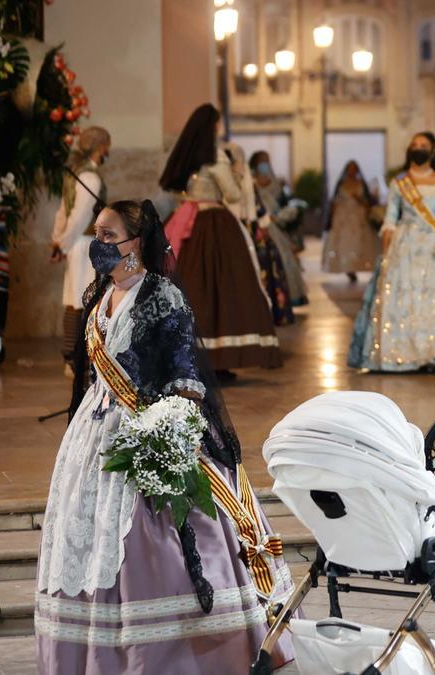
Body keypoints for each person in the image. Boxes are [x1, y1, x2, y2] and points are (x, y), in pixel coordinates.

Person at [36, 200, 294, 673]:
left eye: (110, 236)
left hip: (153, 427)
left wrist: (168, 433)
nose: (101, 244)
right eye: (98, 234)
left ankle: (178, 653)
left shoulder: (162, 296)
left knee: (157, 548)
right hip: (94, 437)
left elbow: (184, 374)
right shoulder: (98, 295)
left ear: (138, 242)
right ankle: (96, 654)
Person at [159, 104, 281, 376]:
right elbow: (233, 194)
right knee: (225, 288)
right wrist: (238, 171)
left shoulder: (189, 156)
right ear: (213, 126)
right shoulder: (216, 157)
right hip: (214, 224)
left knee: (194, 287)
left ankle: (191, 356)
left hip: (188, 222)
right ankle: (220, 358)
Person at [347, 132, 435, 372]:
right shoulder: (400, 183)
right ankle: (403, 354)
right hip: (405, 247)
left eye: (424, 145)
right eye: (415, 145)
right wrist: (386, 255)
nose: (419, 148)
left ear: (433, 151)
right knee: (405, 298)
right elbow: (390, 220)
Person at [50, 126, 110, 373]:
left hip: (76, 245)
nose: (109, 151)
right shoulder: (90, 178)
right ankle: (75, 359)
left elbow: (63, 212)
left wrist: (59, 241)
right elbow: (79, 216)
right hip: (84, 246)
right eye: (107, 146)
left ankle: (73, 358)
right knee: (81, 302)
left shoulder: (77, 174)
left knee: (74, 300)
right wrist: (61, 243)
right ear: (99, 148)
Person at [230, 145, 294, 326]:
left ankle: (266, 312)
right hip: (244, 228)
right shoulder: (245, 179)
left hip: (257, 228)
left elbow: (259, 205)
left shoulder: (253, 180)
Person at [250, 151, 308, 306]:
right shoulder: (249, 182)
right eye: (262, 161)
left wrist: (282, 217)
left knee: (284, 261)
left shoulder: (276, 183)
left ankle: (284, 301)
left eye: (267, 161)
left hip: (277, 228)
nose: (265, 164)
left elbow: (285, 204)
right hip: (260, 228)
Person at [321, 160, 379, 283]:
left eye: (354, 168)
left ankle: (355, 265)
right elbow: (335, 201)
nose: (352, 171)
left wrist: (359, 200)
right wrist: (332, 216)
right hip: (343, 217)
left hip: (358, 216)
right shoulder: (341, 184)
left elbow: (368, 202)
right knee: (345, 242)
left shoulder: (361, 184)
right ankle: (348, 268)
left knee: (359, 242)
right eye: (350, 168)